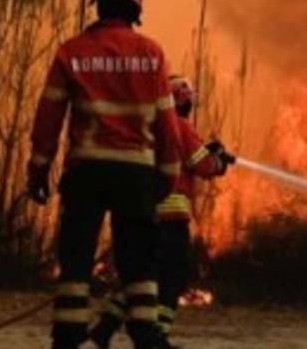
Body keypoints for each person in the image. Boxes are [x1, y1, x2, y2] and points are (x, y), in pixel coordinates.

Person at [27, 0, 183, 349]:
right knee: (139, 261)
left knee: (76, 257)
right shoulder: (152, 53)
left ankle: (66, 336)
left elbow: (49, 115)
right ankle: (147, 336)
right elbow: (167, 121)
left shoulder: (72, 51)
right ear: (135, 11)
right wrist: (168, 175)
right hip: (137, 174)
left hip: (87, 171)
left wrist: (39, 167)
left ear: (99, 6)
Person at [87, 74, 236, 349]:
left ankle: (105, 327)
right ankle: (158, 336)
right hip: (172, 222)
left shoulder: (151, 127)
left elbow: (191, 156)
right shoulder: (181, 127)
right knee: (172, 279)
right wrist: (220, 162)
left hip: (145, 214)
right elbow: (204, 167)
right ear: (185, 101)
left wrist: (208, 151)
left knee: (141, 275)